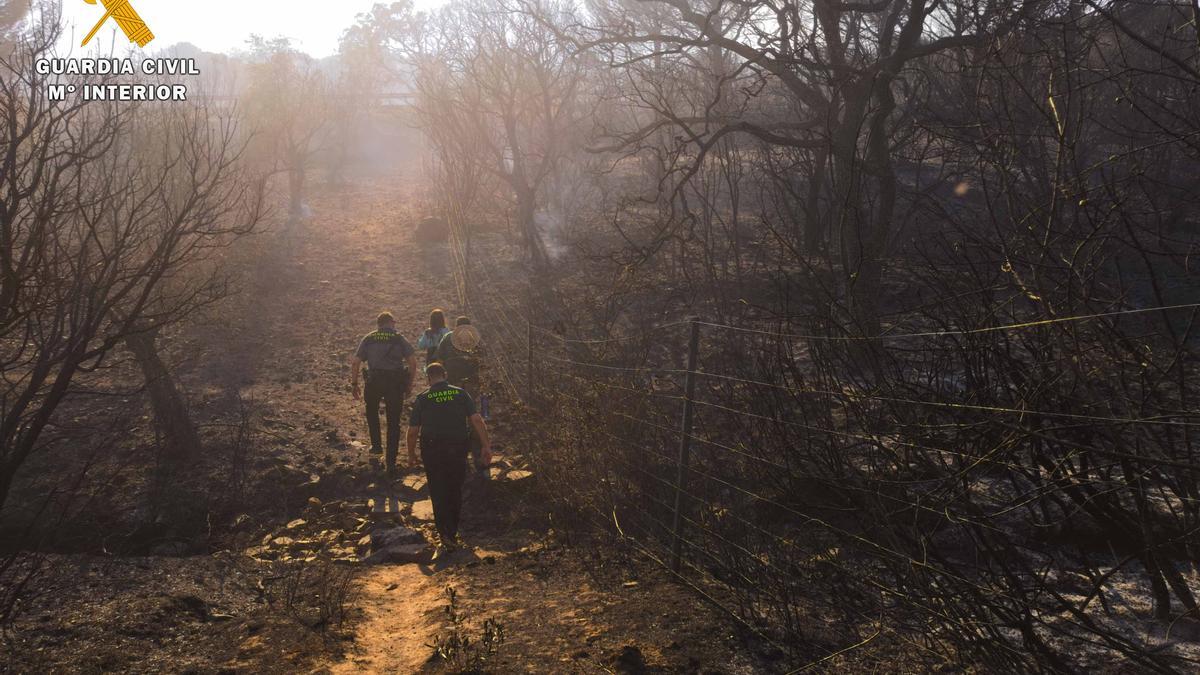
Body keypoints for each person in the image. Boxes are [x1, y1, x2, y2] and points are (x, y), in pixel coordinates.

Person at [406, 362, 491, 559]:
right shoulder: (460, 394)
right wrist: (486, 445)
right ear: (445, 374)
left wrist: (411, 454)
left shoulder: (423, 398)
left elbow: (412, 432)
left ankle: (444, 533)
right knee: (454, 488)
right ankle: (452, 531)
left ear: (428, 378)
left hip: (432, 449)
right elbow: (477, 420)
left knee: (437, 489)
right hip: (457, 447)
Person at [350, 312, 417, 477]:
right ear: (391, 323)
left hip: (374, 382)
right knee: (394, 422)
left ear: (378, 324)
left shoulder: (369, 338)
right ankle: (391, 462)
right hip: (394, 384)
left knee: (372, 413)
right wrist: (409, 384)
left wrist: (354, 384)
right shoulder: (399, 338)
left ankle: (376, 447)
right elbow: (413, 362)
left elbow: (356, 362)